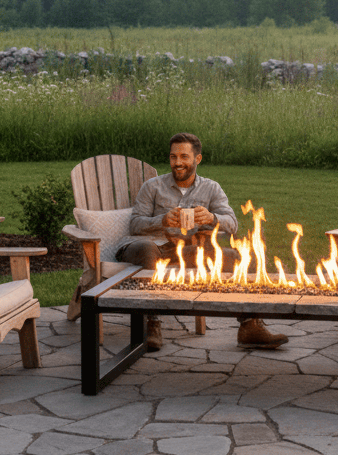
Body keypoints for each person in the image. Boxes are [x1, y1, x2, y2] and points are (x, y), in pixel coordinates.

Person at [117, 132, 288, 352]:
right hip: (151, 246)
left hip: (189, 250)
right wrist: (162, 220)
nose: (177, 163)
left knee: (237, 258)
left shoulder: (211, 188)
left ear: (197, 159)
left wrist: (212, 218)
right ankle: (151, 323)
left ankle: (250, 326)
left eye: (184, 157)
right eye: (173, 157)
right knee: (148, 249)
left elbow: (232, 223)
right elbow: (135, 224)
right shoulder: (153, 186)